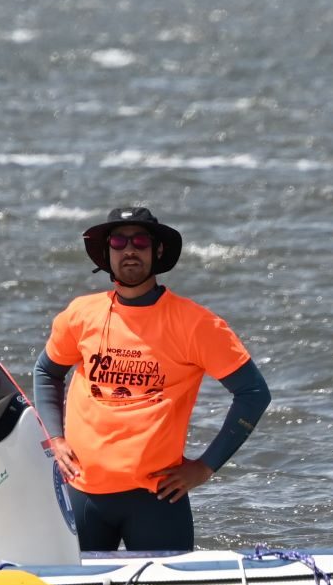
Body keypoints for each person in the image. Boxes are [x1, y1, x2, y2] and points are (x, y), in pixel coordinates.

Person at [33, 206, 271, 553]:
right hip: (82, 492)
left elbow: (253, 393)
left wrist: (205, 467)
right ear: (107, 252)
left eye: (141, 240)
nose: (129, 249)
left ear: (157, 251)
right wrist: (54, 438)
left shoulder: (196, 323)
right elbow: (47, 371)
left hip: (156, 499)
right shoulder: (81, 314)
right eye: (119, 240)